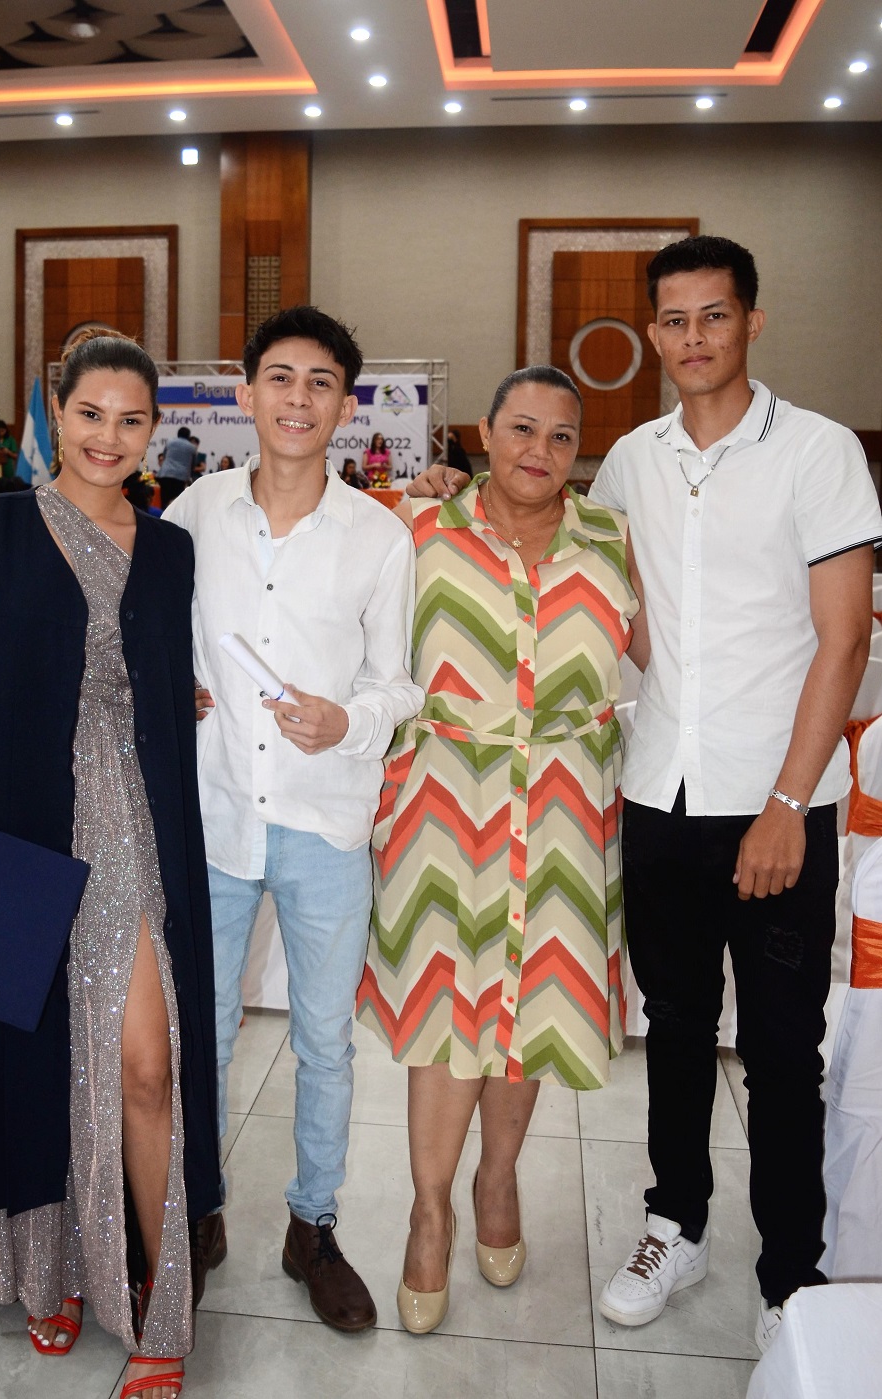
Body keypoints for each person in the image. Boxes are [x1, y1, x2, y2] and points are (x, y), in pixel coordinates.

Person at [408, 235, 882, 1352]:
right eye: (673, 320)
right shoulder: (626, 464)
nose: (693, 338)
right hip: (654, 797)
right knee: (670, 1029)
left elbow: (843, 638)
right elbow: (555, 562)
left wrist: (784, 801)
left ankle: (790, 1271)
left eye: (713, 316)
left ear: (751, 322)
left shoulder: (816, 454)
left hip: (775, 802)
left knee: (775, 1051)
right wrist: (441, 486)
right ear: (653, 334)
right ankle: (676, 1221)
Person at [0, 328, 221, 1399]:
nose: (109, 437)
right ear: (52, 411)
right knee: (26, 1057)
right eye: (90, 414)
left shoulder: (169, 548)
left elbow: (155, 677)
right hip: (6, 820)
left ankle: (162, 1305)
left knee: (145, 1066)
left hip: (136, 822)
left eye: (131, 420)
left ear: (151, 429)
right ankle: (54, 1270)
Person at [357, 365, 641, 1333]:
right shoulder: (417, 531)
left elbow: (673, 659)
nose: (539, 451)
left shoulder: (610, 540)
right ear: (482, 432)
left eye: (562, 437)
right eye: (521, 429)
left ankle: (497, 1177)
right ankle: (428, 1210)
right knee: (446, 1012)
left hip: (563, 804)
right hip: (443, 798)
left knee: (529, 1013)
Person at [164, 305, 423, 1333]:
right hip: (216, 807)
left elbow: (398, 687)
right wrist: (172, 683)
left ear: (346, 406)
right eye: (280, 378)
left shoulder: (377, 535)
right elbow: (159, 636)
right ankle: (201, 1209)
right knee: (207, 1032)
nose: (298, 398)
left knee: (325, 1039)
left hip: (323, 820)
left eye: (320, 382)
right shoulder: (193, 513)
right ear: (246, 393)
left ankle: (312, 1224)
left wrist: (345, 718)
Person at [156, 425, 197, 508]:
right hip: (180, 477)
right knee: (176, 502)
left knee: (164, 500)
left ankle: (162, 518)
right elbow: (193, 464)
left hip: (166, 474)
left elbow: (164, 456)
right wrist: (191, 477)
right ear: (188, 436)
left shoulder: (170, 442)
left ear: (178, 434)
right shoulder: (192, 448)